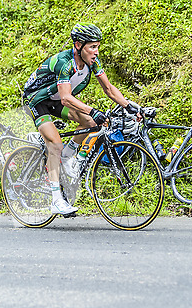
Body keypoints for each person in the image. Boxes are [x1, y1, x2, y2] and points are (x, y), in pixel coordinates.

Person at [23, 23, 141, 215]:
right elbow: (66, 98)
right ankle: (56, 200)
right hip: (37, 100)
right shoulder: (64, 63)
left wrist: (129, 106)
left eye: (98, 46)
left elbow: (109, 89)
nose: (96, 51)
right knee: (55, 145)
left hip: (55, 99)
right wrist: (93, 110)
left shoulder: (92, 62)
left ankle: (68, 157)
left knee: (91, 123)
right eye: (92, 47)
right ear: (78, 45)